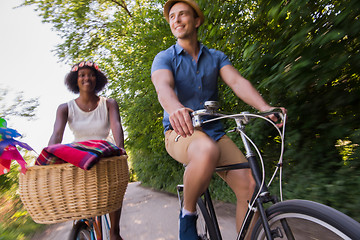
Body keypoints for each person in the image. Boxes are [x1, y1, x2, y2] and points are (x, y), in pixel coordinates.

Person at [151, 1, 286, 239]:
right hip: (180, 131)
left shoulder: (215, 57)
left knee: (250, 186)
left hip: (214, 131)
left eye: (182, 14)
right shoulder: (165, 57)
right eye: (172, 16)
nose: (176, 20)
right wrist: (176, 109)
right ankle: (187, 215)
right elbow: (163, 87)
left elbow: (237, 82)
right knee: (205, 150)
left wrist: (266, 108)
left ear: (197, 20)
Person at [48, 61, 125, 240]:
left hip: (104, 152)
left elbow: (117, 127)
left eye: (90, 74)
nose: (86, 78)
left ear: (96, 79)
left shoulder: (109, 104)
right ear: (75, 81)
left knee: (114, 187)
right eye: (81, 75)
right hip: (80, 155)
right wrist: (48, 157)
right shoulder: (65, 108)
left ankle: (114, 232)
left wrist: (120, 150)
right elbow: (56, 135)